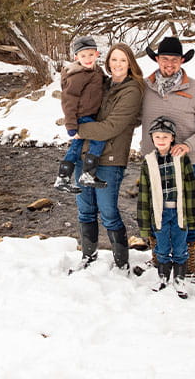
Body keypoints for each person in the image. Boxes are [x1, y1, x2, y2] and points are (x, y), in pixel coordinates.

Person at [139, 36, 195, 285]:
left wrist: (188, 145)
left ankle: (190, 265)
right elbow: (127, 117)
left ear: (182, 61)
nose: (169, 64)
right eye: (164, 59)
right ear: (157, 59)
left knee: (187, 215)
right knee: (154, 212)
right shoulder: (144, 88)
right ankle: (157, 258)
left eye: (174, 60)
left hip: (184, 165)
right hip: (152, 164)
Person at [70, 43, 145, 273]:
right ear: (108, 62)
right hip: (85, 154)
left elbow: (111, 127)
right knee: (85, 210)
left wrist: (79, 131)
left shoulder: (132, 91)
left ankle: (122, 263)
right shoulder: (102, 82)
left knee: (109, 213)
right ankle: (88, 255)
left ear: (130, 63)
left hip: (110, 159)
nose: (118, 64)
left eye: (122, 60)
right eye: (114, 60)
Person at [136, 116, 195, 299]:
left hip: (179, 213)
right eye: (157, 137)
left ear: (172, 138)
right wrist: (144, 223)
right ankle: (163, 277)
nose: (161, 141)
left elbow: (191, 190)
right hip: (159, 214)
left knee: (180, 249)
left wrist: (193, 218)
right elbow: (144, 194)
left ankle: (179, 280)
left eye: (165, 137)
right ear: (152, 139)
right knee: (161, 248)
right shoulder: (148, 162)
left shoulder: (182, 160)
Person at [54, 36, 108, 192]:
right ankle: (88, 174)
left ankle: (62, 178)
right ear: (76, 57)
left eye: (91, 54)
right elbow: (68, 101)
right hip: (82, 116)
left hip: (91, 115)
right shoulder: (77, 76)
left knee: (76, 147)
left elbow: (103, 83)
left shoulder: (97, 70)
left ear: (97, 54)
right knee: (99, 137)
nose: (88, 59)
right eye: (83, 56)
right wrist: (71, 125)